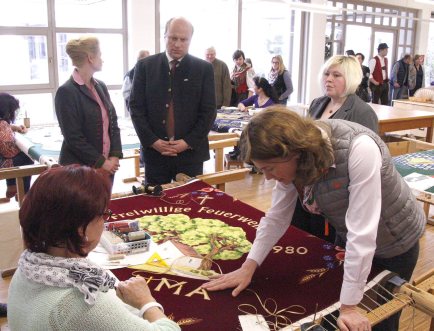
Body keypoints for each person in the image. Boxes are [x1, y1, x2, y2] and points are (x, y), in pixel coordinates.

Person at [202, 106, 425, 331]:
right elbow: (276, 218)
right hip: (348, 233)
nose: (268, 178)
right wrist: (248, 266)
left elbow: (363, 233)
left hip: (395, 240)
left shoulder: (360, 149)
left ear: (292, 153)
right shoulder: (298, 159)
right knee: (333, 307)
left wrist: (349, 307)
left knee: (380, 317)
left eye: (269, 168)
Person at [7, 165, 180, 331]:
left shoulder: (28, 264)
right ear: (80, 228)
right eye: (104, 214)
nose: (105, 222)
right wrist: (146, 301)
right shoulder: (79, 302)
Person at [292, 55, 378, 243]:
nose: (328, 79)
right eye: (326, 73)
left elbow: (368, 160)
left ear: (351, 79)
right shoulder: (318, 103)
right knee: (303, 239)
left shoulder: (362, 112)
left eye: (336, 75)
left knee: (328, 247)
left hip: (337, 193)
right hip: (309, 185)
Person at [129, 17, 216, 185]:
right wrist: (153, 141)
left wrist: (187, 142)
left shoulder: (203, 69)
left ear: (190, 40)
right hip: (155, 154)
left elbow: (209, 111)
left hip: (190, 154)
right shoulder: (145, 67)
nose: (177, 44)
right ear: (164, 36)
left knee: (189, 204)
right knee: (155, 205)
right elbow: (136, 108)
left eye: (183, 39)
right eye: (173, 38)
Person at [55, 36, 122, 179]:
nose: (102, 59)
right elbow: (73, 138)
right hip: (79, 171)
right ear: (91, 58)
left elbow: (113, 122)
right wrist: (102, 162)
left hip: (106, 167)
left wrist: (114, 156)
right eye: (100, 55)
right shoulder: (66, 92)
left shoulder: (100, 86)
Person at [0, 93, 34, 202]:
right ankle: (22, 192)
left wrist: (14, 127)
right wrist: (21, 147)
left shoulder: (3, 124)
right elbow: (9, 152)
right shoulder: (2, 124)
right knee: (27, 157)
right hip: (2, 163)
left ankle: (12, 186)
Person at [122, 49, 150, 168]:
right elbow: (126, 93)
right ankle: (143, 161)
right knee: (142, 134)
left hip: (149, 110)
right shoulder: (131, 74)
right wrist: (133, 108)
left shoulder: (152, 71)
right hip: (137, 110)